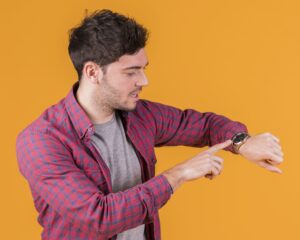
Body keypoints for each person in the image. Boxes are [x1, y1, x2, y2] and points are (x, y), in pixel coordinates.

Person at [16, 9, 284, 240]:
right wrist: (178, 174)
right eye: (131, 72)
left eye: (143, 68)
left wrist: (242, 142)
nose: (144, 81)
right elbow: (98, 217)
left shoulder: (140, 115)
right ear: (92, 72)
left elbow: (203, 125)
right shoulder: (42, 140)